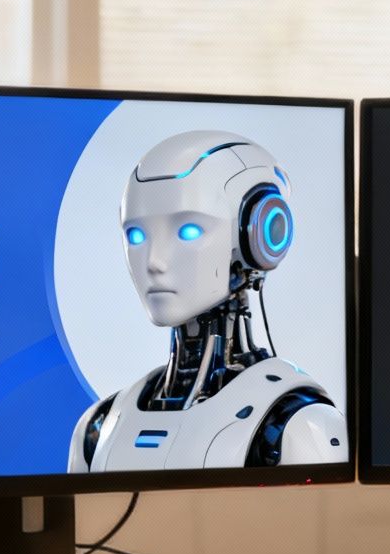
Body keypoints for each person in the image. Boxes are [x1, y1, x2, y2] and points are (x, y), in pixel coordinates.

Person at [70, 131, 346, 472]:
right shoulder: (98, 429)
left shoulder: (296, 424)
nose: (155, 261)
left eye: (187, 231)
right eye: (136, 235)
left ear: (261, 233)